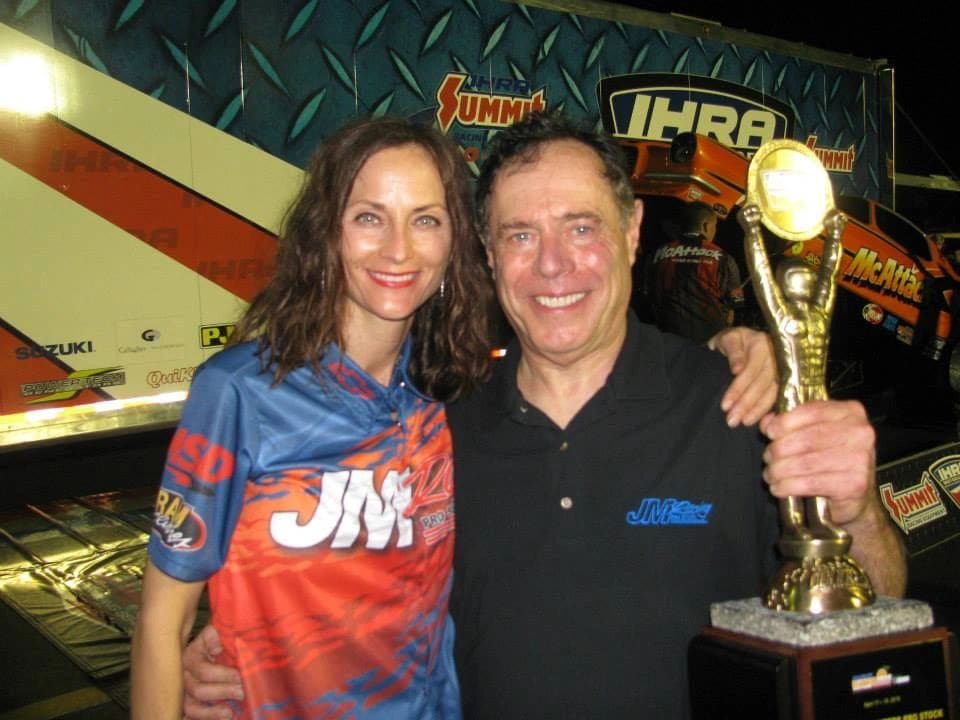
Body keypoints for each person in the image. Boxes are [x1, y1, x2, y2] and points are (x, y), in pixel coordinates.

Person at [177, 113, 904, 718]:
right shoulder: (435, 429)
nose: (553, 264)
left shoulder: (736, 401)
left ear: (632, 231)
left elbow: (879, 597)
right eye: (521, 235)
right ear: (488, 255)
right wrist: (225, 651)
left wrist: (858, 507)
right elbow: (337, 595)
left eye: (581, 228)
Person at [131, 117, 492, 720]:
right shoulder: (240, 394)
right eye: (369, 217)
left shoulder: (456, 392)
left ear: (454, 240)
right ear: (327, 232)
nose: (399, 248)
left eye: (425, 219)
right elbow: (159, 624)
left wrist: (714, 348)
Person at [646, 200, 744, 342]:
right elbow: (734, 305)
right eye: (714, 226)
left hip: (667, 342)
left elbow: (650, 296)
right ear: (706, 226)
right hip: (708, 344)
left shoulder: (657, 254)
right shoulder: (723, 258)